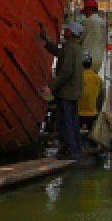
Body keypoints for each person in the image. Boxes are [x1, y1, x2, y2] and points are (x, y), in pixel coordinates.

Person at [40, 22, 84, 159]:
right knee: (72, 120)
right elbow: (60, 53)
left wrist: (51, 87)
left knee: (66, 121)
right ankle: (75, 148)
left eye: (66, 30)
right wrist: (47, 41)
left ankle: (71, 150)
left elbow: (66, 72)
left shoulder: (70, 49)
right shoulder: (75, 48)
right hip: (74, 91)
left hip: (67, 91)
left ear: (71, 32)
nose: (64, 32)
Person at [81, 0, 109, 73]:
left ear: (89, 10)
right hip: (99, 59)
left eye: (85, 11)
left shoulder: (87, 21)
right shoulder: (103, 23)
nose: (85, 14)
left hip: (87, 59)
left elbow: (79, 39)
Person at [78, 57, 103, 135]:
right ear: (91, 64)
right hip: (92, 114)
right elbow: (100, 97)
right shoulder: (98, 78)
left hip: (77, 114)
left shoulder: (77, 77)